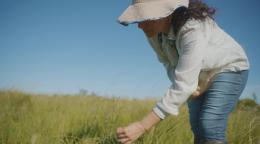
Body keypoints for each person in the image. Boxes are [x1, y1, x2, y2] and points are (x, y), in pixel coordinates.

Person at [116, 0, 250, 144]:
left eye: (146, 17)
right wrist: (192, 86)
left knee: (209, 123)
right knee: (197, 126)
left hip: (228, 68)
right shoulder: (155, 34)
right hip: (196, 76)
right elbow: (168, 63)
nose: (140, 26)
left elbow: (184, 84)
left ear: (166, 13)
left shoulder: (192, 27)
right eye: (140, 18)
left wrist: (143, 126)